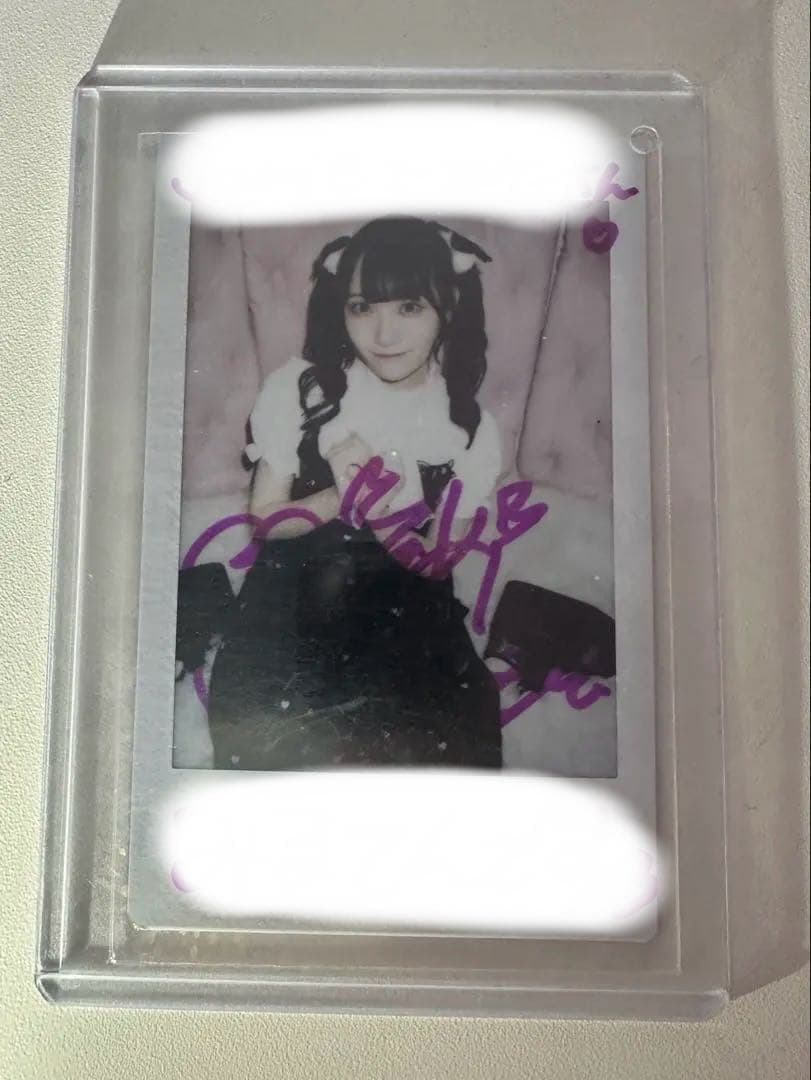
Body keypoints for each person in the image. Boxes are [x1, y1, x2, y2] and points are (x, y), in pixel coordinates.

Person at [205, 217, 505, 770]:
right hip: (296, 591)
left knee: (445, 743)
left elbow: (438, 560)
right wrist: (337, 497)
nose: (383, 335)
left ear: (447, 308)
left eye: (410, 307)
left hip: (405, 603)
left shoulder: (468, 426)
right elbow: (265, 520)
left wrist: (386, 514)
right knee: (274, 736)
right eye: (363, 307)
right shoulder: (302, 388)